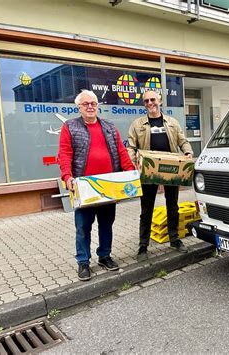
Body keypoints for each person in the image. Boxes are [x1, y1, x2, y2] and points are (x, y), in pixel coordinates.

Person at [58, 90, 135, 281]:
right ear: (79, 107)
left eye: (93, 103)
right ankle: (83, 261)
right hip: (83, 187)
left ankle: (105, 256)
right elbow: (64, 154)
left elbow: (121, 151)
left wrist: (130, 172)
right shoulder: (70, 126)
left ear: (97, 106)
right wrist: (67, 176)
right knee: (83, 226)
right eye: (86, 104)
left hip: (108, 185)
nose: (90, 107)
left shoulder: (109, 126)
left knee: (106, 223)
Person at [128, 90, 193, 261]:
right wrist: (133, 163)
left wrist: (187, 152)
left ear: (160, 101)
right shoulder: (137, 124)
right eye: (146, 101)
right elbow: (131, 146)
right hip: (149, 171)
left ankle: (174, 239)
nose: (150, 103)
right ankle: (143, 246)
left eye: (153, 100)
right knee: (146, 209)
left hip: (171, 170)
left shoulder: (172, 122)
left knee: (173, 206)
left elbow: (183, 141)